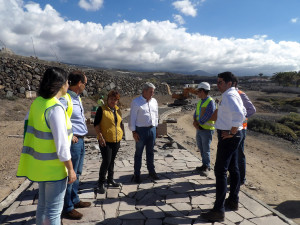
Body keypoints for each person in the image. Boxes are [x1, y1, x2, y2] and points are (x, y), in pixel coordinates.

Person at [17, 67, 76, 225]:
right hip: (54, 170)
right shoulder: (55, 108)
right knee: (53, 212)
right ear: (61, 84)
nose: (68, 85)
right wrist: (70, 169)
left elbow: (28, 128)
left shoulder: (38, 103)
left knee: (43, 208)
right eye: (67, 82)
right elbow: (62, 146)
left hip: (40, 167)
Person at [201, 71, 246, 222]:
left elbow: (240, 115)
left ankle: (218, 210)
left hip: (229, 136)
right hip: (233, 135)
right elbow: (244, 112)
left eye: (220, 82)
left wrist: (232, 132)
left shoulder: (229, 95)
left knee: (220, 171)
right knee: (234, 169)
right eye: (217, 82)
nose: (217, 85)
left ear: (229, 83)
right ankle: (233, 201)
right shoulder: (234, 94)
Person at [60, 70, 91, 220]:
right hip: (74, 141)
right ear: (79, 83)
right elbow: (59, 119)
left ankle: (74, 199)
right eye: (85, 83)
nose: (85, 86)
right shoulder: (65, 99)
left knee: (77, 173)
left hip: (80, 140)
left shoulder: (76, 97)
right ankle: (68, 207)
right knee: (70, 176)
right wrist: (70, 135)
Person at [94, 90, 124, 194]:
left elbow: (120, 123)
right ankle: (101, 182)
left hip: (116, 140)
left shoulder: (117, 110)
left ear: (117, 101)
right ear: (108, 99)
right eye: (111, 99)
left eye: (115, 99)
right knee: (106, 161)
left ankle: (110, 179)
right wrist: (100, 136)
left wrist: (122, 133)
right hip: (105, 140)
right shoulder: (101, 109)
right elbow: (96, 124)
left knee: (112, 161)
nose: (113, 101)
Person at [129, 82, 159, 183]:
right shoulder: (136, 102)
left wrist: (156, 128)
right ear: (144, 91)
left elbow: (156, 115)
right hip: (140, 131)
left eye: (153, 92)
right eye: (151, 92)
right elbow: (132, 118)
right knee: (139, 153)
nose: (152, 94)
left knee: (150, 152)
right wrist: (134, 132)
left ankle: (151, 171)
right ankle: (137, 174)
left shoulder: (154, 101)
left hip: (152, 130)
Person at [232, 75, 256, 185]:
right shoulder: (230, 95)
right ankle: (234, 176)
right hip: (232, 128)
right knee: (233, 154)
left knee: (239, 154)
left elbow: (251, 110)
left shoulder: (240, 94)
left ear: (233, 83)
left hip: (240, 129)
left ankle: (241, 178)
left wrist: (240, 120)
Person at [193, 82, 216, 176]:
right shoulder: (200, 101)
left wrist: (198, 123)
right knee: (201, 147)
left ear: (202, 91)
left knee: (206, 149)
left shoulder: (210, 101)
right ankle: (204, 164)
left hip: (206, 129)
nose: (197, 93)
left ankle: (207, 166)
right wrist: (194, 121)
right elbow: (196, 113)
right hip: (199, 128)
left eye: (198, 91)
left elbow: (207, 115)